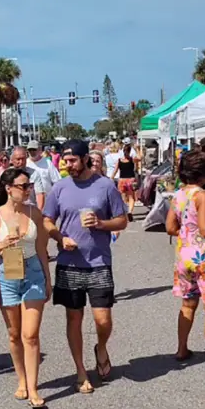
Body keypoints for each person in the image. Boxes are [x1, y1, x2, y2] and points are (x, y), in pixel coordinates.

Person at [42, 140, 128, 394]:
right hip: (69, 264)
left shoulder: (105, 186)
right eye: (65, 162)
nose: (68, 166)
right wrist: (59, 237)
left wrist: (101, 224)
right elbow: (47, 220)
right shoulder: (59, 188)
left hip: (99, 261)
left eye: (72, 161)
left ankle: (101, 348)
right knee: (74, 317)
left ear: (85, 159)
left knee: (103, 319)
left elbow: (122, 220)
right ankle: (81, 371)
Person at [0, 168, 51, 409]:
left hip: (32, 271)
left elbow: (42, 248)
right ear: (8, 188)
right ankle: (21, 379)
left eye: (29, 185)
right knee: (14, 334)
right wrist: (2, 244)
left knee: (30, 334)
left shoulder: (35, 212)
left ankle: (33, 388)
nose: (27, 190)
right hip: (8, 270)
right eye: (23, 186)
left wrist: (47, 277)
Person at [166, 150, 205, 370]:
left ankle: (182, 348)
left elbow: (170, 227)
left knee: (188, 304)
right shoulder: (202, 195)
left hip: (184, 256)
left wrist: (187, 234)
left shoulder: (179, 195)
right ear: (204, 172)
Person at [26, 140, 62, 210]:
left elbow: (57, 182)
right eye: (30, 150)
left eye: (34, 149)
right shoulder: (25, 163)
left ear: (39, 150)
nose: (32, 152)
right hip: (30, 205)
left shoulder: (48, 163)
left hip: (47, 203)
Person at [112, 141, 142, 222]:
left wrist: (111, 178)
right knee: (131, 197)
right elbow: (140, 158)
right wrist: (138, 149)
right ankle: (129, 212)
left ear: (123, 151)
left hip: (122, 180)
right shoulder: (132, 159)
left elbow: (115, 171)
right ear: (129, 151)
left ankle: (125, 212)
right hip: (131, 180)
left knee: (123, 198)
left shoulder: (119, 160)